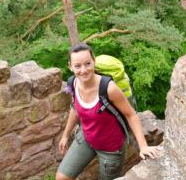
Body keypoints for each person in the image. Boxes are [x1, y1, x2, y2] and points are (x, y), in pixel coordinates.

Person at [56, 43, 161, 180]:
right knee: (61, 177)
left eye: (88, 63)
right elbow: (75, 109)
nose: (84, 70)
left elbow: (131, 114)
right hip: (87, 139)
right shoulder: (73, 83)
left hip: (111, 149)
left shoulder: (108, 88)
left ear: (94, 61)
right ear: (70, 66)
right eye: (77, 66)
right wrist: (65, 135)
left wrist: (143, 146)